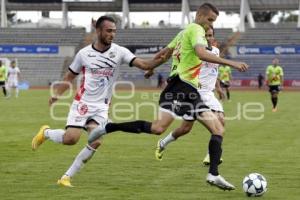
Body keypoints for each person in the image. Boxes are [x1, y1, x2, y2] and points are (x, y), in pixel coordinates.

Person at [88, 3, 248, 190]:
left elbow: (164, 54)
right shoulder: (196, 29)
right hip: (181, 86)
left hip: (187, 90)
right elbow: (201, 53)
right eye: (210, 20)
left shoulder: (182, 33)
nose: (210, 25)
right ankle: (109, 127)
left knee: (213, 129)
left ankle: (213, 174)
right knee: (164, 128)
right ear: (200, 16)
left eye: (213, 22)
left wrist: (150, 67)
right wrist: (232, 63)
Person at [31, 16, 165, 187]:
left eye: (114, 31)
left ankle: (66, 177)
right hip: (83, 103)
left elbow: (143, 64)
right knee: (71, 139)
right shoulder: (84, 54)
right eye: (109, 31)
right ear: (99, 31)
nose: (112, 34)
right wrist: (57, 94)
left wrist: (157, 61)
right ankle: (47, 133)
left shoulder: (120, 51)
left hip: (102, 107)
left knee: (96, 140)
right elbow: (70, 76)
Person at [154, 26, 226, 166]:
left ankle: (210, 155)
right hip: (195, 93)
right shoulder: (195, 51)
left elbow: (213, 72)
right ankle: (163, 143)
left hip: (209, 94)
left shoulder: (216, 52)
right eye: (205, 36)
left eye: (211, 35)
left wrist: (218, 88)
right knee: (186, 129)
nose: (208, 38)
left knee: (218, 122)